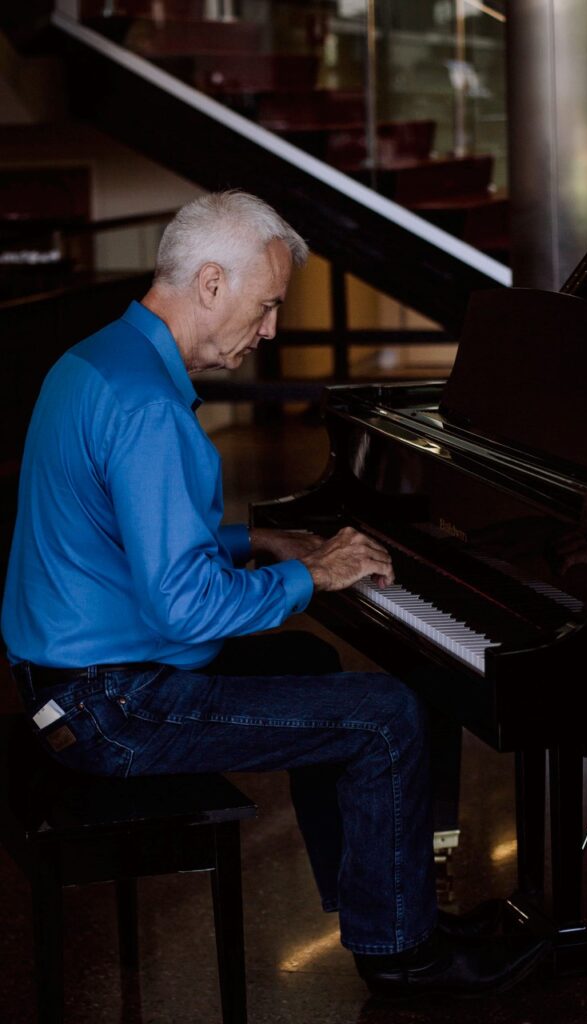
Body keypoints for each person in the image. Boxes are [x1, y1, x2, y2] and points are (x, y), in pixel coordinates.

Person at [1, 191, 547, 996]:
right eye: (266, 306)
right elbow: (182, 608)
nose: (271, 330)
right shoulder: (150, 406)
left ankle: (389, 908)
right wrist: (310, 574)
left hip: (58, 685)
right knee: (388, 718)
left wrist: (253, 542)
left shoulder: (93, 361)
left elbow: (113, 541)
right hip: (109, 709)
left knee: (313, 661)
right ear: (212, 283)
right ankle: (405, 956)